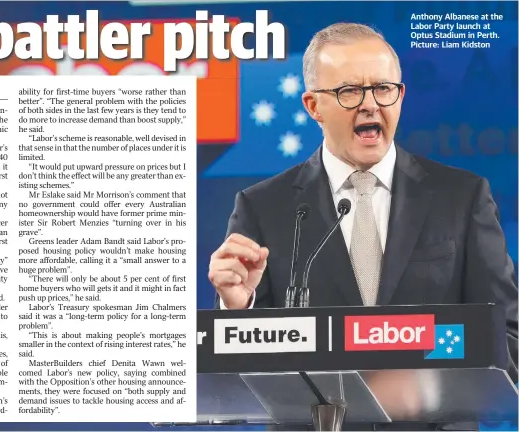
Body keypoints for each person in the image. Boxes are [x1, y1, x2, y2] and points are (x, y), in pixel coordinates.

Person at [207, 22, 518, 430]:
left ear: (401, 96)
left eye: (384, 88)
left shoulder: (462, 197)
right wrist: (236, 309)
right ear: (313, 106)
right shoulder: (263, 207)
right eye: (349, 91)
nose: (370, 104)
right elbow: (244, 374)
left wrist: (424, 389)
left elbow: (508, 338)